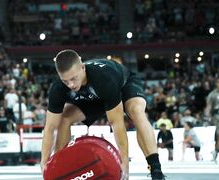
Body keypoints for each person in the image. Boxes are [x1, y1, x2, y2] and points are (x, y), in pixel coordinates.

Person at [41, 50, 165, 180]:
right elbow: (50, 128)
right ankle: (60, 166)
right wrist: (45, 163)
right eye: (65, 81)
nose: (71, 85)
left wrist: (124, 165)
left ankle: (156, 169)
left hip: (124, 85)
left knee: (136, 111)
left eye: (73, 78)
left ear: (82, 68)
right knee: (63, 118)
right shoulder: (58, 88)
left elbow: (116, 124)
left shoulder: (103, 79)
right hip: (95, 97)